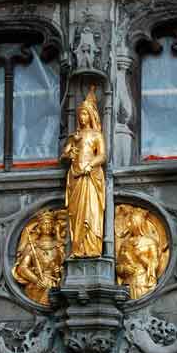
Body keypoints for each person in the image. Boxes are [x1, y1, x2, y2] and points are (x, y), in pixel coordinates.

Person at [62, 87, 106, 257]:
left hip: (90, 176)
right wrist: (69, 154)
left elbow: (102, 155)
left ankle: (92, 247)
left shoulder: (96, 135)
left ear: (91, 115)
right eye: (80, 114)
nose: (82, 117)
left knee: (90, 211)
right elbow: (64, 155)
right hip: (76, 176)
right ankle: (78, 248)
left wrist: (90, 165)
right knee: (77, 214)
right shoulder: (75, 136)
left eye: (85, 114)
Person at [12, 211, 66, 305]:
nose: (47, 226)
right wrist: (36, 280)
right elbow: (22, 268)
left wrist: (58, 271)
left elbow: (65, 265)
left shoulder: (58, 246)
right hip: (38, 287)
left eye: (50, 224)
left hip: (55, 284)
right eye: (44, 224)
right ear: (39, 226)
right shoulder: (32, 246)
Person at [115, 205, 169, 299]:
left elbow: (154, 264)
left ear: (138, 224)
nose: (128, 225)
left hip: (143, 283)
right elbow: (118, 266)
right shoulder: (125, 243)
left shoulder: (150, 242)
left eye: (131, 222)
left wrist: (141, 257)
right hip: (126, 285)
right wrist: (124, 269)